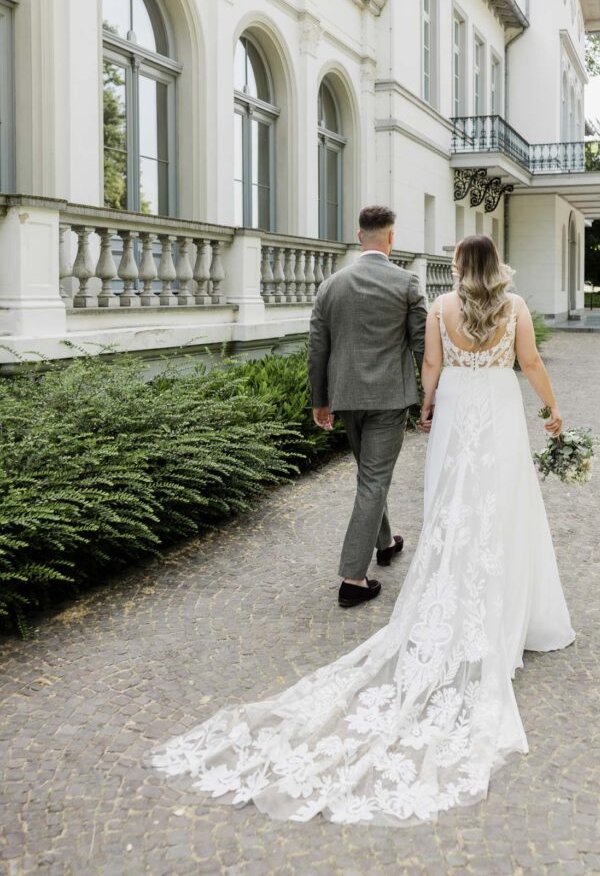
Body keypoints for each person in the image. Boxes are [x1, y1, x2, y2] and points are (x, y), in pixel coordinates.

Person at [150, 234, 576, 827]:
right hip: (500, 409)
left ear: (459, 266)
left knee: (453, 506)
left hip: (459, 408)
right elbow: (529, 363)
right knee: (501, 504)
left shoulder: (443, 308)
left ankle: (457, 599)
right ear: (497, 267)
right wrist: (553, 411)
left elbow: (431, 364)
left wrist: (427, 408)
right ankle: (514, 615)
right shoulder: (518, 307)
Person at [307, 205, 428, 607]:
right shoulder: (408, 283)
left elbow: (317, 349)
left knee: (369, 475)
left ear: (361, 237)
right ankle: (353, 579)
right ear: (391, 238)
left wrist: (320, 400)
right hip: (390, 398)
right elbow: (423, 345)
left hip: (346, 397)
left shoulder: (331, 285)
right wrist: (431, 396)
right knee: (374, 479)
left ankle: (386, 542)